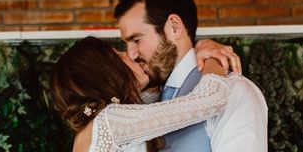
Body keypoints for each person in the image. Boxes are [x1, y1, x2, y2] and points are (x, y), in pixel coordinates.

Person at [115, 0, 268, 151]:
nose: (131, 54)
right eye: (125, 44)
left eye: (136, 39)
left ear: (173, 27)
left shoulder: (234, 91)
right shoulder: (143, 103)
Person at [50, 36, 232, 152]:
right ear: (104, 72)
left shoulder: (93, 130)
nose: (130, 54)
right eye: (118, 55)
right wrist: (209, 57)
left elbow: (152, 99)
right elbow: (213, 99)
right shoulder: (111, 121)